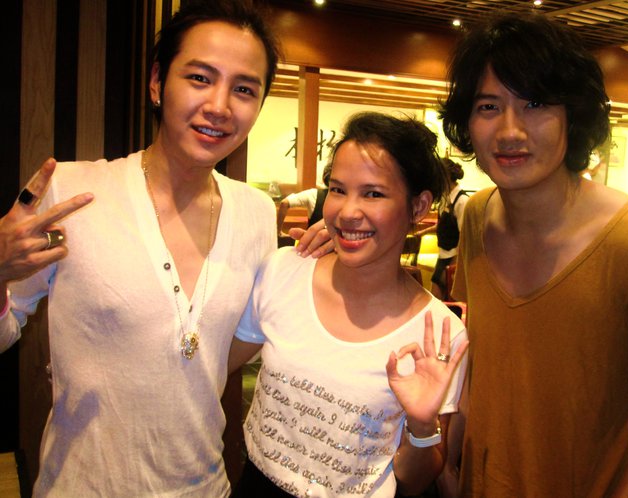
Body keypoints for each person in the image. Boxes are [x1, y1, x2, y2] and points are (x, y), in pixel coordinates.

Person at [0, 1, 327, 495]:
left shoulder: (257, 212)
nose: (219, 106)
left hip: (205, 485)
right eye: (199, 78)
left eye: (244, 89)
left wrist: (310, 271)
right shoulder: (71, 192)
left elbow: (215, 352)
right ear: (157, 82)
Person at [439, 12, 628, 497]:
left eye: (535, 103)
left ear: (574, 116)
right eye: (488, 106)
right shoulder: (477, 217)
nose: (510, 131)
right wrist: (449, 469)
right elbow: (479, 364)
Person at [227, 112, 469, 497]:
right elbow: (214, 365)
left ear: (419, 206)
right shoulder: (284, 271)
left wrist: (423, 426)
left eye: (373, 194)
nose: (347, 212)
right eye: (338, 189)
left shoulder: (438, 334)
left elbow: (414, 481)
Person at [416, 158, 468, 300]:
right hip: (443, 255)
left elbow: (465, 236)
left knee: (445, 300)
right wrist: (423, 232)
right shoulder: (446, 198)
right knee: (437, 299)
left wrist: (455, 264)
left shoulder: (462, 201)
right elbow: (443, 225)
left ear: (445, 177)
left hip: (453, 258)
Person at [276, 163, 332, 238]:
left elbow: (284, 203)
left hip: (312, 241)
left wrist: (278, 232)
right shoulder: (345, 199)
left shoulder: (313, 194)